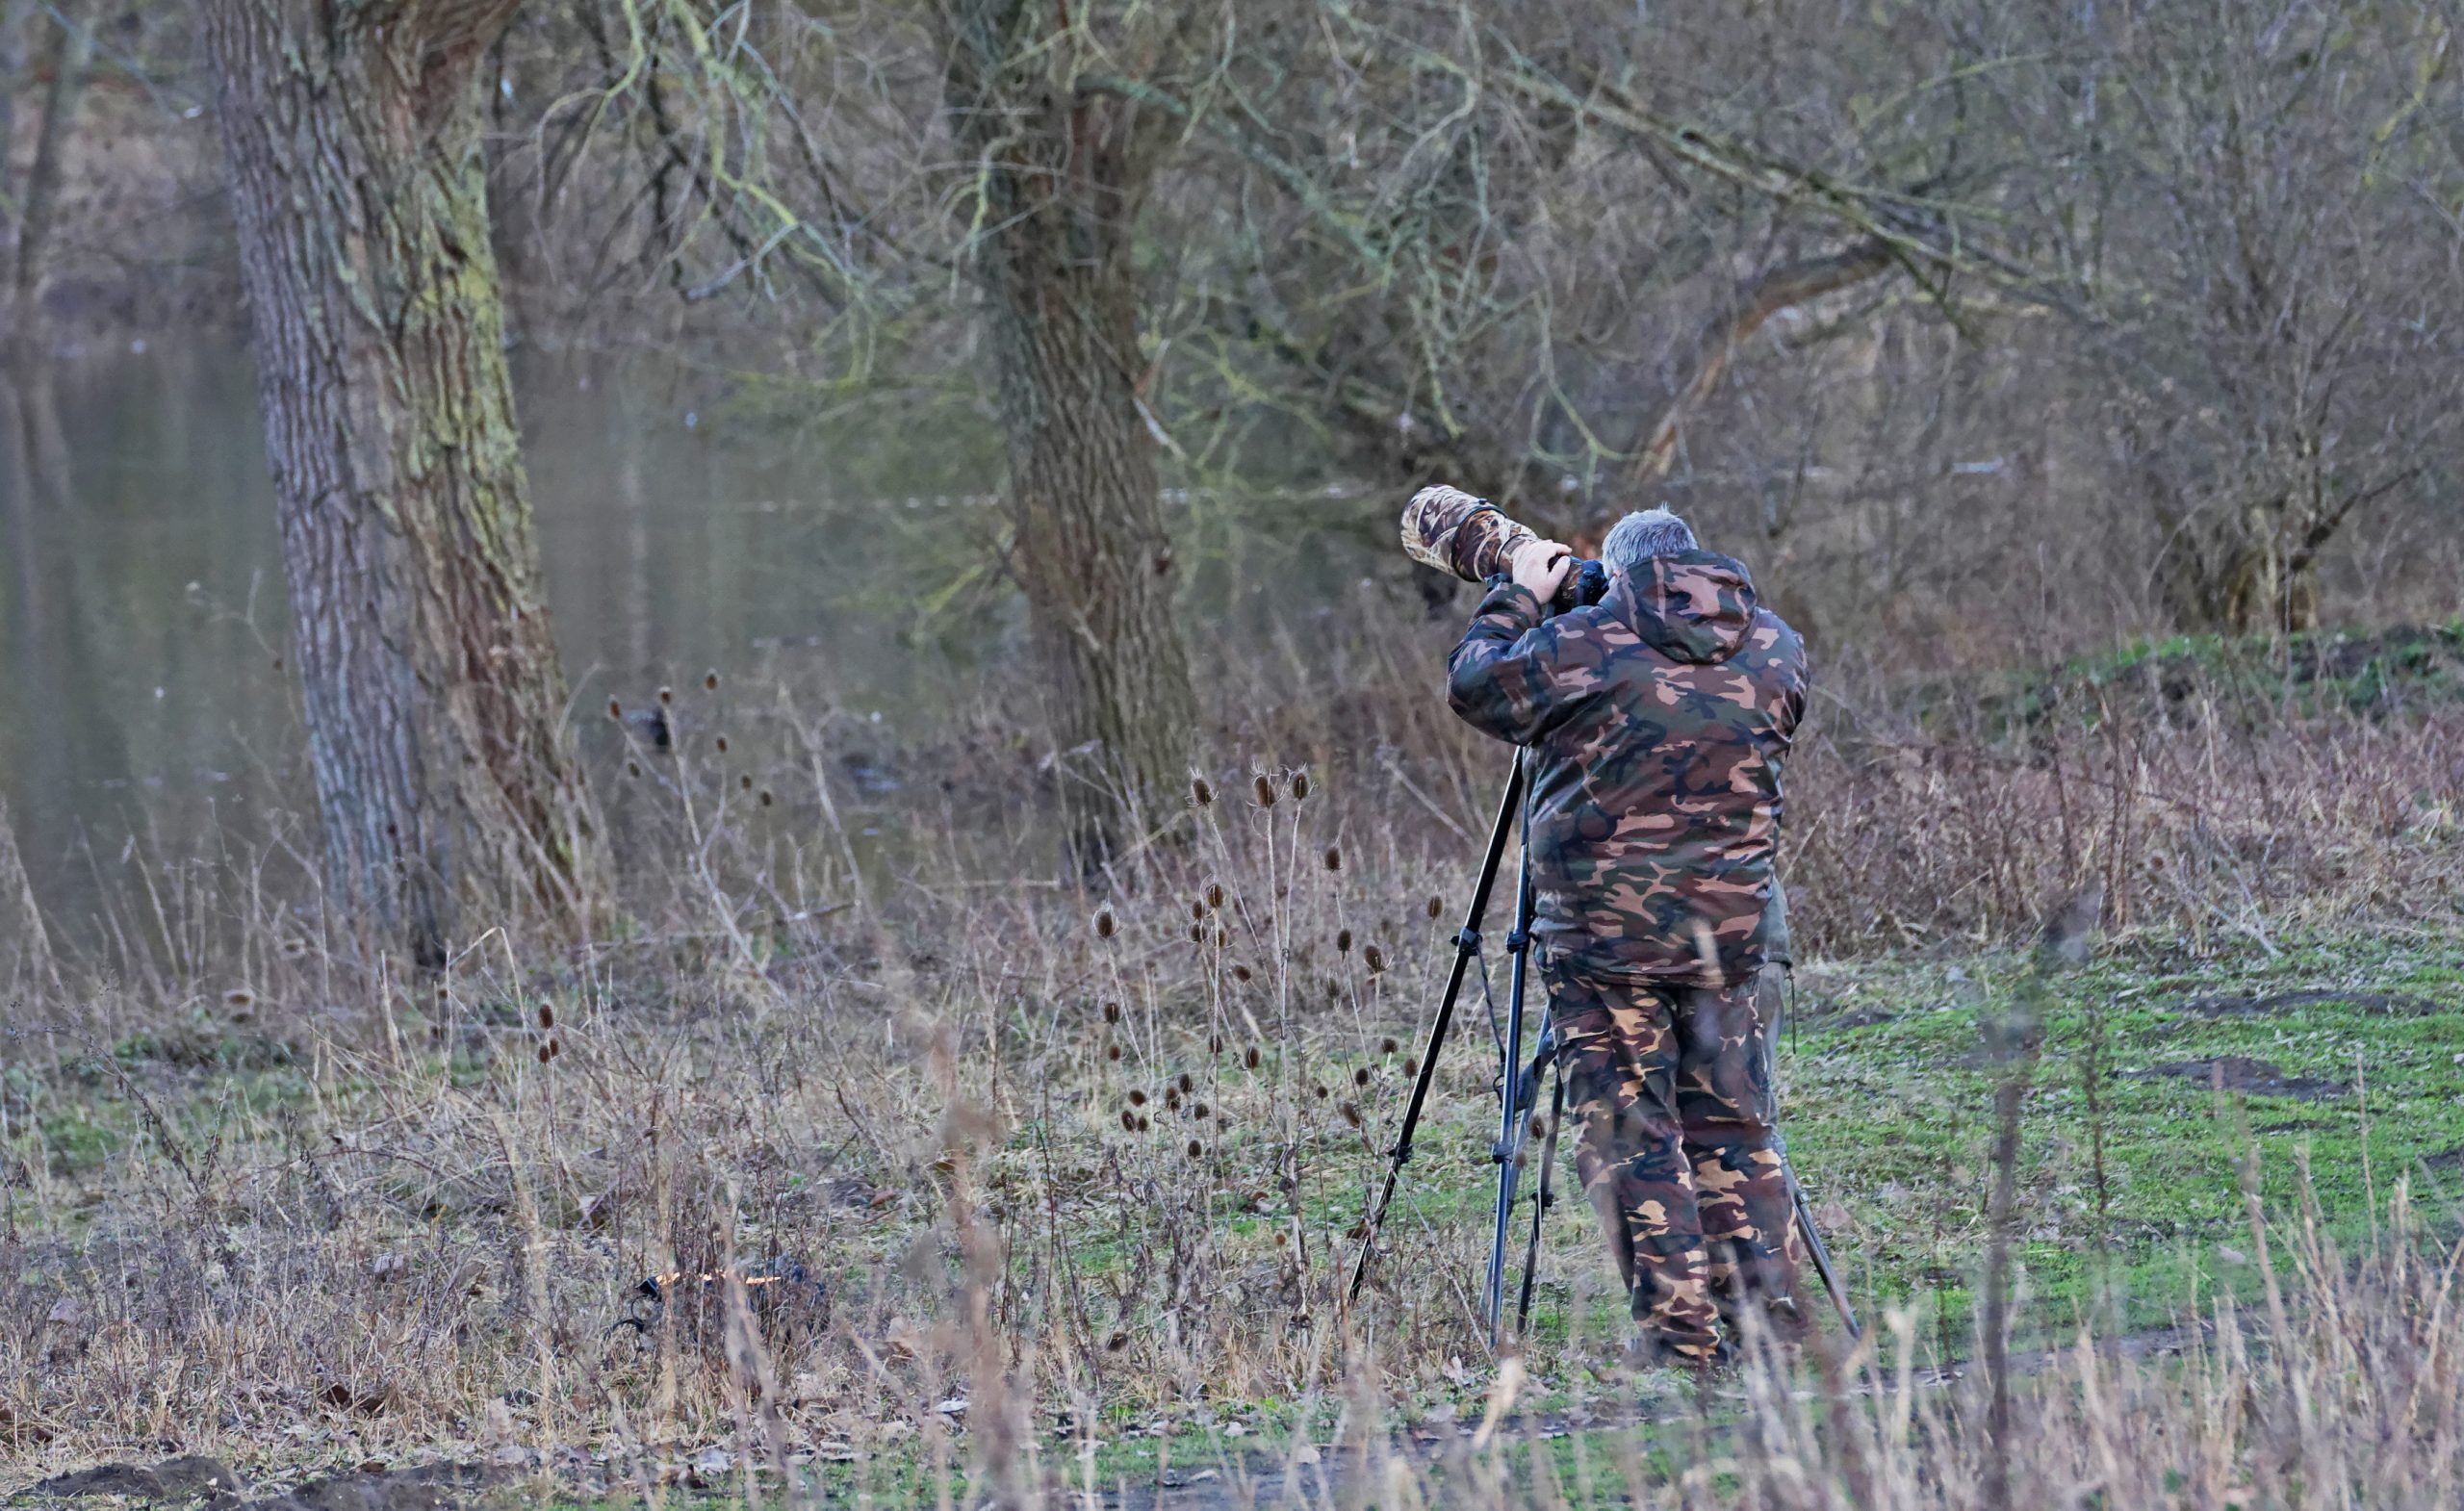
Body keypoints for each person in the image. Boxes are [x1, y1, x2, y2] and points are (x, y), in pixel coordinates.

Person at [1446, 505, 1810, 1369]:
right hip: (1731, 934)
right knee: (1736, 1126)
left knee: (1630, 1130)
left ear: (1618, 570)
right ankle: (1772, 1333)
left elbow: (1477, 687)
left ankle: (1682, 1342)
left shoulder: (1585, 647)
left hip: (1608, 945)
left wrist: (1518, 599)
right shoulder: (1777, 647)